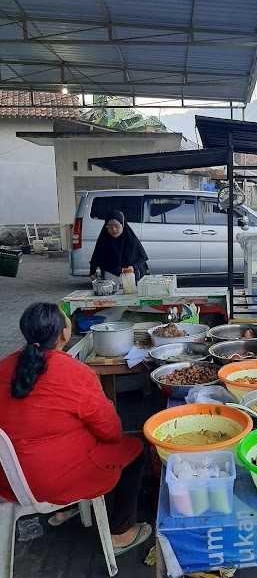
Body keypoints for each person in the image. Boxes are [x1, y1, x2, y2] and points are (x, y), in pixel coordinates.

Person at [0, 303, 151, 555]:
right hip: (52, 482)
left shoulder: (4, 366)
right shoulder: (74, 373)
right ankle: (121, 533)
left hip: (8, 480)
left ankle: (67, 509)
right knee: (134, 448)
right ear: (63, 335)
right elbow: (111, 432)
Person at [89, 210, 148, 283]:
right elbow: (96, 260)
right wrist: (92, 273)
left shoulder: (131, 241)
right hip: (110, 281)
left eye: (116, 226)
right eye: (110, 226)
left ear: (123, 225)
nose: (114, 229)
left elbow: (141, 260)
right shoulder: (103, 241)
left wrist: (133, 267)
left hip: (130, 280)